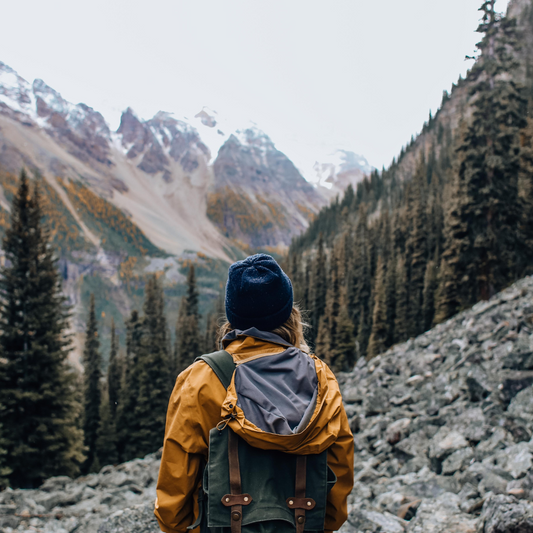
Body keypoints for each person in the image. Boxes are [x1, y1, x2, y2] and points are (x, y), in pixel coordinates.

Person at [155, 254, 354, 533]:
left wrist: (176, 527)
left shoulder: (200, 380)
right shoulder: (321, 378)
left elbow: (176, 483)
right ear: (289, 314)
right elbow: (339, 467)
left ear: (232, 317)